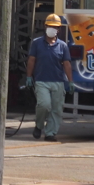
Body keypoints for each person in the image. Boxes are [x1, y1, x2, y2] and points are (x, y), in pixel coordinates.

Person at [24, 13, 73, 141]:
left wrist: (71, 81)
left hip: (58, 81)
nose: (52, 29)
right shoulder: (36, 43)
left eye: (55, 27)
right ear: (45, 27)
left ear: (59, 29)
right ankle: (39, 125)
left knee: (56, 109)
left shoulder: (62, 46)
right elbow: (31, 60)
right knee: (44, 105)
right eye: (50, 26)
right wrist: (29, 77)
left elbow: (67, 64)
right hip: (41, 81)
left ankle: (50, 133)